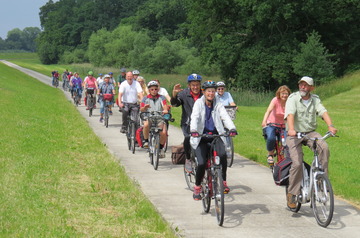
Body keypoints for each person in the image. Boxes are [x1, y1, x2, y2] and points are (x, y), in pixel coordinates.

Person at [284, 76, 337, 209]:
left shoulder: (315, 99)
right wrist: (291, 129)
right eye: (301, 84)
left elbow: (323, 112)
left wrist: (330, 126)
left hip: (310, 133)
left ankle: (321, 183)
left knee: (324, 148)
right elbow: (290, 114)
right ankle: (292, 193)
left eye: (306, 85)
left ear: (311, 88)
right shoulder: (293, 98)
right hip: (295, 133)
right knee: (296, 163)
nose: (302, 87)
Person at [190, 80, 237, 200]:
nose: (211, 93)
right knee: (201, 163)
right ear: (204, 92)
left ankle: (224, 181)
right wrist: (194, 130)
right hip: (201, 137)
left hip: (216, 136)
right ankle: (197, 187)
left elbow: (225, 116)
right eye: (209, 91)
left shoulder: (218, 102)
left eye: (213, 91)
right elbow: (194, 117)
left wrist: (232, 128)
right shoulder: (199, 104)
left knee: (222, 155)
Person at [171, 73, 203, 173]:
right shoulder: (184, 93)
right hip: (187, 123)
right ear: (189, 85)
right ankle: (188, 159)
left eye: (197, 84)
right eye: (193, 85)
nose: (195, 87)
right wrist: (174, 94)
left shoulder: (203, 94)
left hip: (201, 123)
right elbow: (175, 104)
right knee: (188, 137)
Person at [261, 85, 291, 166]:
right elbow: (268, 111)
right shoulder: (275, 100)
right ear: (279, 94)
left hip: (284, 125)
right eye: (283, 93)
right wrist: (264, 121)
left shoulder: (290, 102)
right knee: (271, 138)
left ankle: (288, 158)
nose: (284, 95)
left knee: (288, 141)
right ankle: (270, 154)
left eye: (286, 94)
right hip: (272, 123)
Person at [140, 81, 168, 157]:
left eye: (155, 89)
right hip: (149, 117)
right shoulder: (145, 98)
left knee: (163, 132)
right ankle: (146, 141)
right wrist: (144, 108)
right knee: (145, 125)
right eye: (152, 89)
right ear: (149, 90)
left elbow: (164, 105)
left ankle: (160, 147)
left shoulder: (161, 97)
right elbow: (141, 109)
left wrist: (165, 110)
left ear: (157, 90)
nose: (154, 91)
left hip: (159, 117)